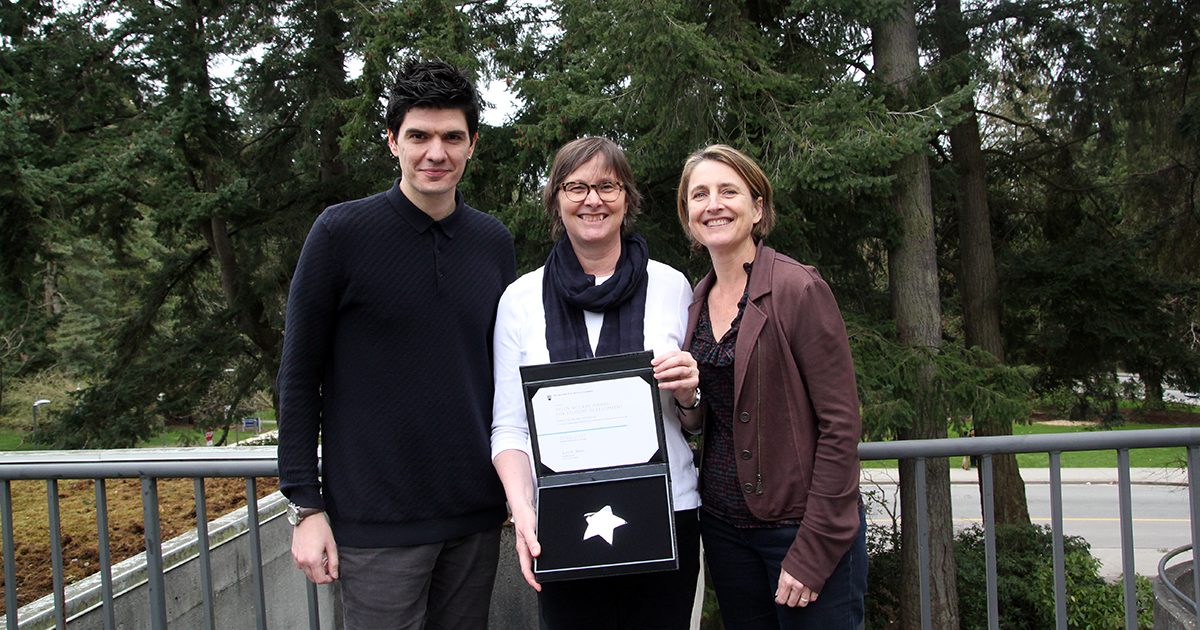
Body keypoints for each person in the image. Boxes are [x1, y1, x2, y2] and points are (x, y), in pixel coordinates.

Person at [276, 60, 516, 630]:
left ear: (472, 144)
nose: (436, 152)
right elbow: (298, 376)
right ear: (392, 142)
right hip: (374, 525)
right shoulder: (340, 234)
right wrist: (306, 507)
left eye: (452, 137)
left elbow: (506, 375)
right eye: (419, 136)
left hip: (475, 518)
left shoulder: (493, 243)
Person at [490, 137, 702, 629]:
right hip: (561, 522)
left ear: (627, 197)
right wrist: (522, 510)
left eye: (607, 185)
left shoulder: (673, 287)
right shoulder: (519, 300)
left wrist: (690, 394)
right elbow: (509, 427)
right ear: (556, 199)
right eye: (577, 186)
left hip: (667, 514)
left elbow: (694, 422)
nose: (593, 199)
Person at [675, 144, 867, 629]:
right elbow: (710, 417)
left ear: (757, 207)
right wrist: (688, 401)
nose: (713, 204)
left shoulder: (796, 288)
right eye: (699, 195)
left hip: (800, 529)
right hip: (724, 531)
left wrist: (815, 546)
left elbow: (841, 425)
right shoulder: (694, 301)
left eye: (728, 191)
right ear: (688, 214)